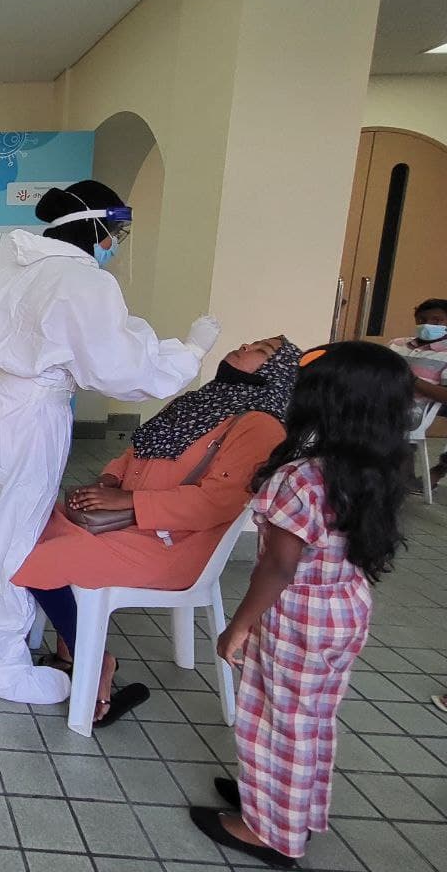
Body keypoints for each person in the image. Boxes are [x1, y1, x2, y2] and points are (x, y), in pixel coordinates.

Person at [0, 179, 222, 705]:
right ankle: (0, 662)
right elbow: (122, 371)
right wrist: (188, 353)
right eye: (115, 231)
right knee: (15, 529)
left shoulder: (9, 273)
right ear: (94, 227)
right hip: (28, 413)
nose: (116, 242)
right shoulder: (83, 283)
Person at [189, 342, 411, 868]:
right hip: (345, 609)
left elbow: (277, 567)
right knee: (310, 718)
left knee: (274, 720)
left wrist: (238, 626)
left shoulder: (302, 477)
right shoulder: (374, 469)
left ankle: (269, 833)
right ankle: (291, 810)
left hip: (297, 616)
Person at [14, 336, 301, 725]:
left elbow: (214, 502)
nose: (245, 345)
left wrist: (130, 503)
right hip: (130, 523)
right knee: (28, 529)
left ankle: (95, 662)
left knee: (41, 556)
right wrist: (111, 481)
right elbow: (135, 450)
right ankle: (71, 648)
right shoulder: (200, 401)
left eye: (262, 350)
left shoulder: (260, 426)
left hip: (174, 544)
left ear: (274, 373)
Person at [388, 297, 447, 487]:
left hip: (426, 402)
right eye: (422, 320)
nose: (428, 325)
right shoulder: (397, 345)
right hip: (389, 399)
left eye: (437, 320)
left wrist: (411, 380)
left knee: (403, 421)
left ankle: (440, 469)